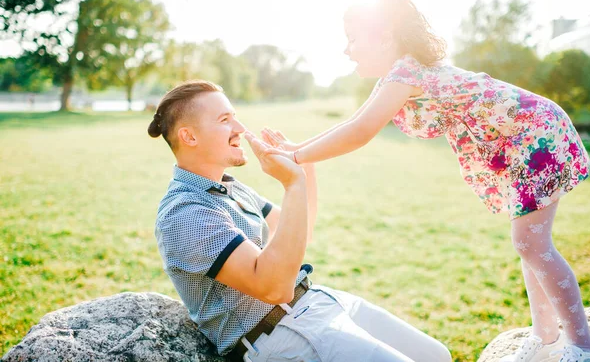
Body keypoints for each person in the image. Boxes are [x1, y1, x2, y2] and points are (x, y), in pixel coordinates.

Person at [261, 0, 590, 362]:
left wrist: (295, 155)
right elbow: (352, 123)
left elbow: (360, 131)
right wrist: (296, 147)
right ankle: (546, 336)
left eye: (354, 38)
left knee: (531, 243)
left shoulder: (406, 72)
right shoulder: (400, 73)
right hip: (520, 141)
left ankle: (583, 346)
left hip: (534, 134)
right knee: (529, 243)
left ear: (385, 36)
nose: (347, 49)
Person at [148, 80, 452, 362]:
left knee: (436, 356)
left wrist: (304, 166)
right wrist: (292, 186)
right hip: (279, 333)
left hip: (317, 303)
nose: (240, 127)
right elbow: (274, 288)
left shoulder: (229, 187)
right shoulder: (184, 212)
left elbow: (297, 237)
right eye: (225, 119)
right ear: (189, 136)